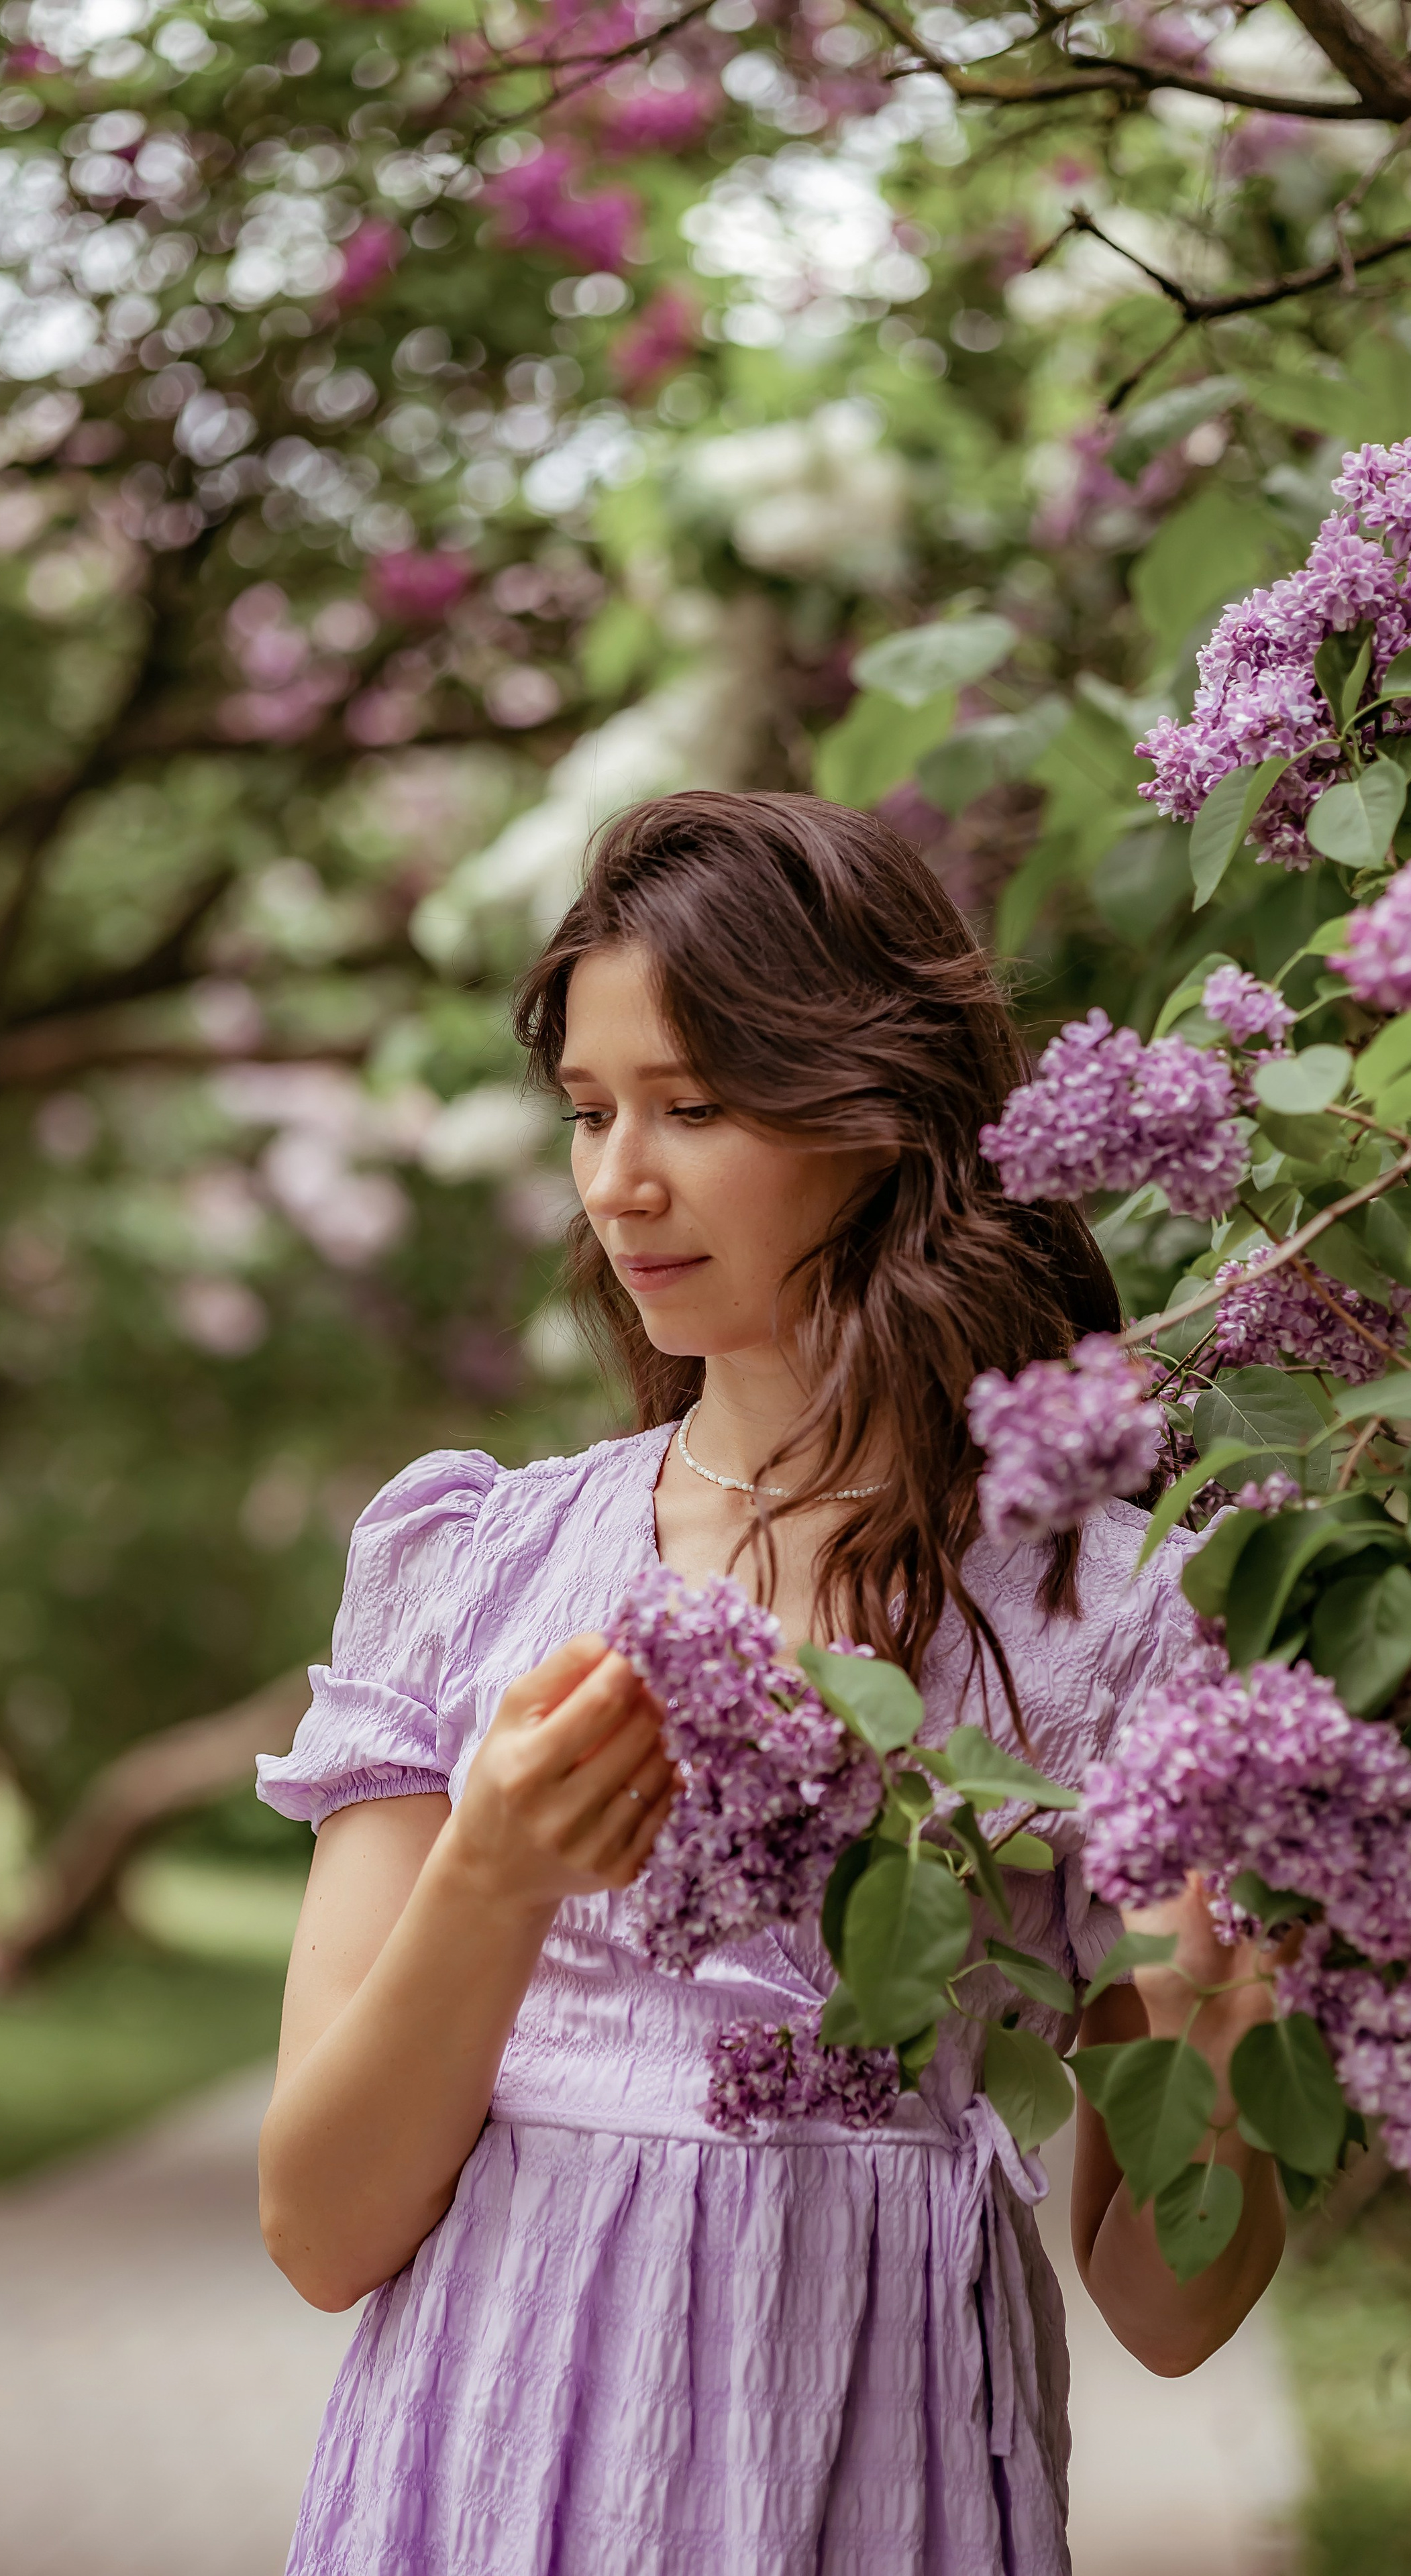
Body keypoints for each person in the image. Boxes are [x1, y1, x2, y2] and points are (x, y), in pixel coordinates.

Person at [256, 790, 1287, 2576]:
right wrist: (494, 1874)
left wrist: (1228, 1993)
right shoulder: (477, 1566)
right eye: (590, 1113)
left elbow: (1171, 2310)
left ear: (876, 1116)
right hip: (490, 2473)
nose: (615, 1181)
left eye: (694, 1107)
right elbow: (322, 2229)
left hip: (875, 2474)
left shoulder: (1104, 1612)